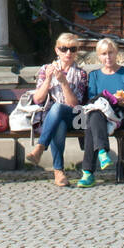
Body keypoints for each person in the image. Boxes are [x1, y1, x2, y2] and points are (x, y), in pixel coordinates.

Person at [77, 37, 124, 189]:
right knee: (94, 114)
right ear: (98, 56)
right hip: (99, 114)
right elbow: (92, 100)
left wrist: (119, 101)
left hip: (120, 114)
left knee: (92, 120)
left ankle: (88, 172)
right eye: (103, 54)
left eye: (110, 53)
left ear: (116, 53)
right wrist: (107, 98)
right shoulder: (95, 75)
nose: (107, 57)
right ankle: (101, 152)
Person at [25, 33, 89, 186]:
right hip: (51, 118)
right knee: (58, 123)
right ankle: (59, 172)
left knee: (59, 107)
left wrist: (64, 82)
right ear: (57, 50)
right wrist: (48, 79)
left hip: (74, 117)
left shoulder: (81, 74)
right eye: (64, 49)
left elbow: (75, 104)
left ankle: (40, 147)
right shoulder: (46, 69)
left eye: (73, 49)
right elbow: (38, 99)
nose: (68, 53)